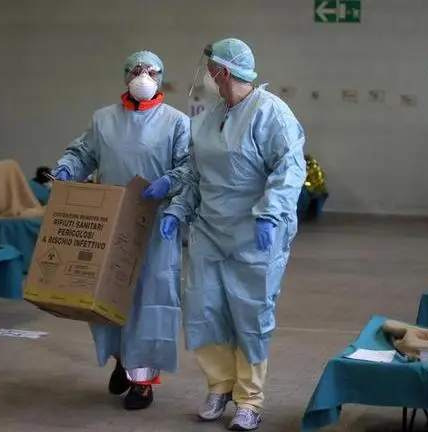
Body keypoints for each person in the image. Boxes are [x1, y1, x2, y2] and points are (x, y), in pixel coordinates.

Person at [143, 38, 306, 430]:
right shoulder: (211, 116)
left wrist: (270, 215)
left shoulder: (270, 113)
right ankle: (220, 386)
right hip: (210, 231)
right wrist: (177, 205)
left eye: (212, 68)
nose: (208, 75)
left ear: (224, 71)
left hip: (255, 233)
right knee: (203, 310)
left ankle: (249, 400)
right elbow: (197, 173)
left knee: (251, 315)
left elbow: (290, 168)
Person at [51, 50, 190, 411]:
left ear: (161, 77)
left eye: (152, 71)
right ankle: (122, 361)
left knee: (149, 301)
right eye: (137, 70)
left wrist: (168, 183)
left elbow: (189, 167)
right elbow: (83, 153)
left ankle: (143, 382)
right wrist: (67, 169)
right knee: (109, 295)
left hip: (155, 226)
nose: (144, 77)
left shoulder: (176, 122)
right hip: (111, 223)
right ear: (126, 75)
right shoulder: (103, 120)